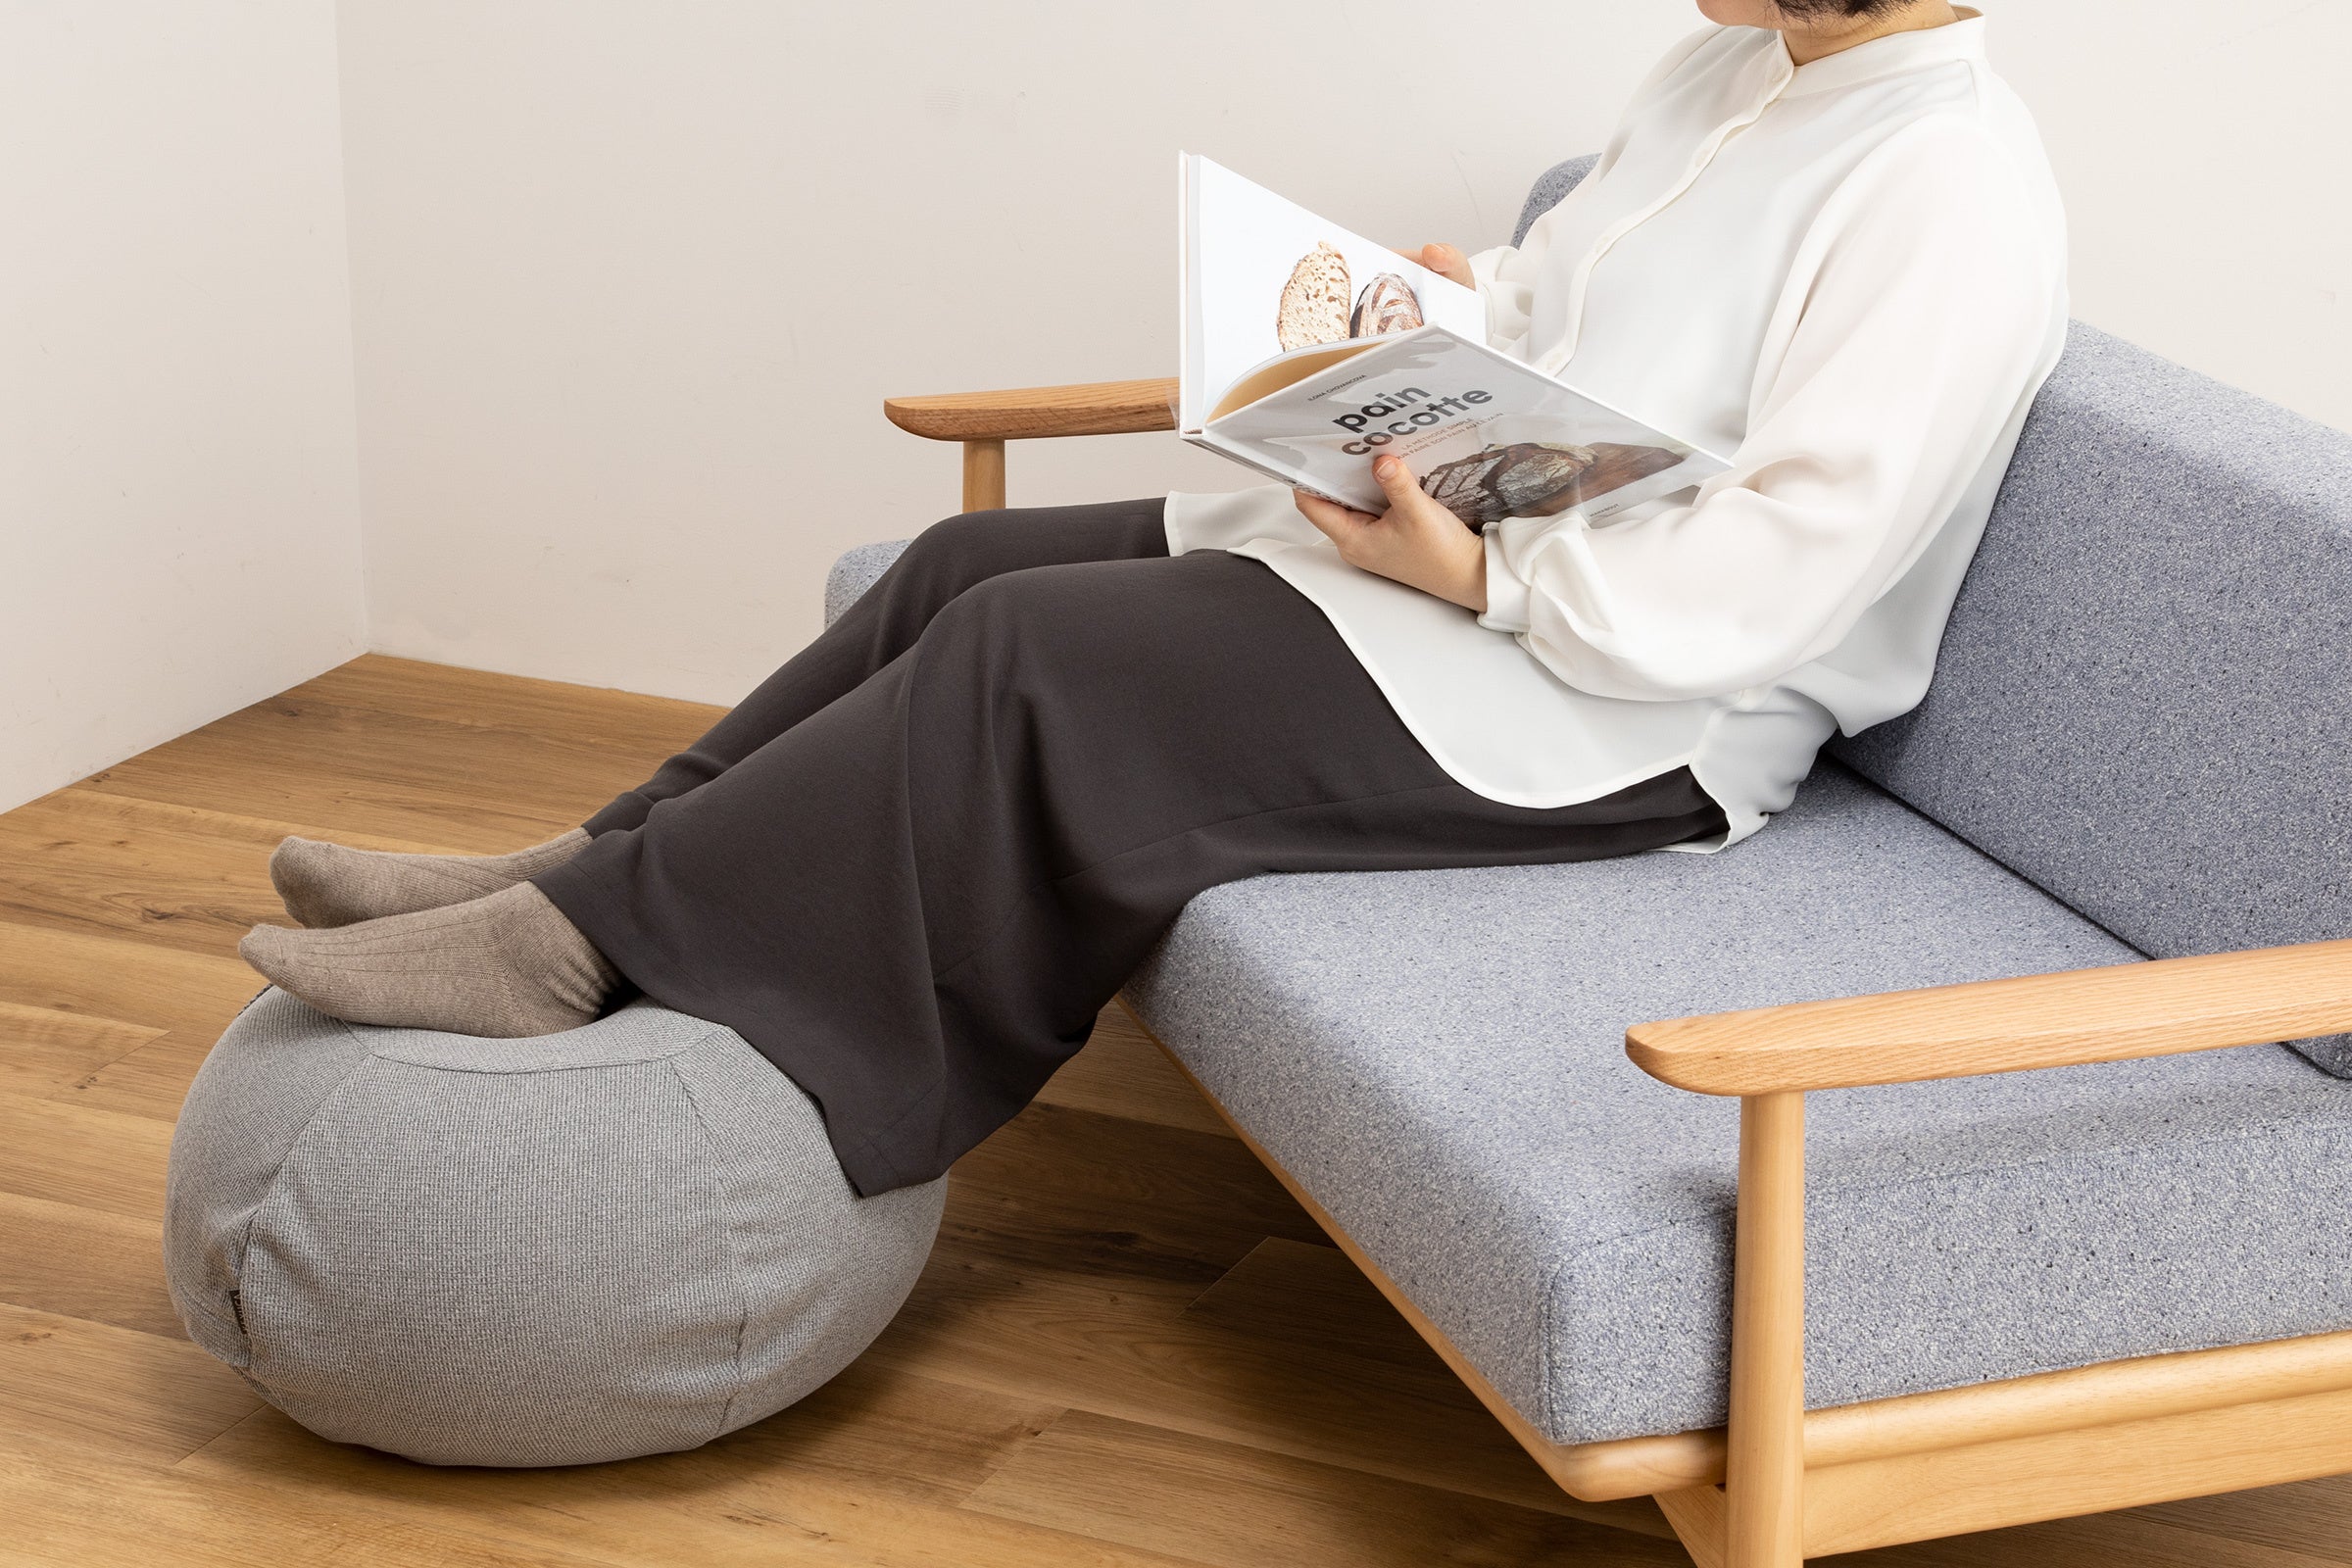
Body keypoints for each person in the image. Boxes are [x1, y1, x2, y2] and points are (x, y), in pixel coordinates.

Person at [241, 0, 2067, 1199]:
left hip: (1638, 706)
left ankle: (572, 952)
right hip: (1489, 581)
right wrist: (1454, 311)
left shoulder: (1948, 188)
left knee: (1032, 655)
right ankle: (592, 859)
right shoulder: (1730, 72)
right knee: (963, 566)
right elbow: (1591, 314)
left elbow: (1788, 563)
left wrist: (1490, 574)